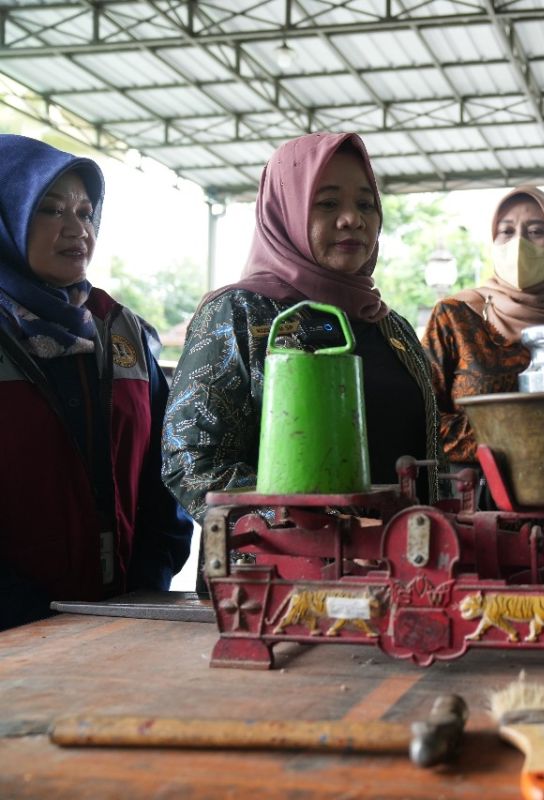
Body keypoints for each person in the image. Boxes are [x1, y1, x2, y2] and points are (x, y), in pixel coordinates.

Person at [162, 132, 441, 527]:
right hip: (281, 579)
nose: (353, 219)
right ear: (284, 211)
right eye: (327, 203)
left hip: (407, 571)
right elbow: (193, 463)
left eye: (365, 204)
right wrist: (323, 528)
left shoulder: (391, 327)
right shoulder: (238, 312)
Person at [0, 134, 192, 630]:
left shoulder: (120, 330)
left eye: (86, 212)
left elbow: (163, 471)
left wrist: (148, 582)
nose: (76, 229)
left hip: (123, 618)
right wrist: (26, 615)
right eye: (50, 209)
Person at [421, 186, 544, 467]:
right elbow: (420, 417)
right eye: (506, 231)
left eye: (537, 231)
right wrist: (514, 438)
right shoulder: (455, 317)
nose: (519, 244)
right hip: (472, 498)